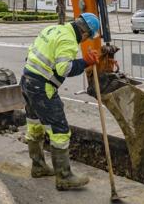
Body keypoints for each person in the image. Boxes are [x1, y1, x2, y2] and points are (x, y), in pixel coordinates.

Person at [21, 13, 100, 191]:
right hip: (42, 88)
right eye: (88, 37)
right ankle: (64, 177)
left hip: (27, 81)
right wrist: (85, 62)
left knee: (34, 125)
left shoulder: (53, 29)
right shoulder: (69, 41)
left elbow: (33, 51)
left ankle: (38, 166)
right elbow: (64, 68)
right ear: (85, 33)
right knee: (60, 130)